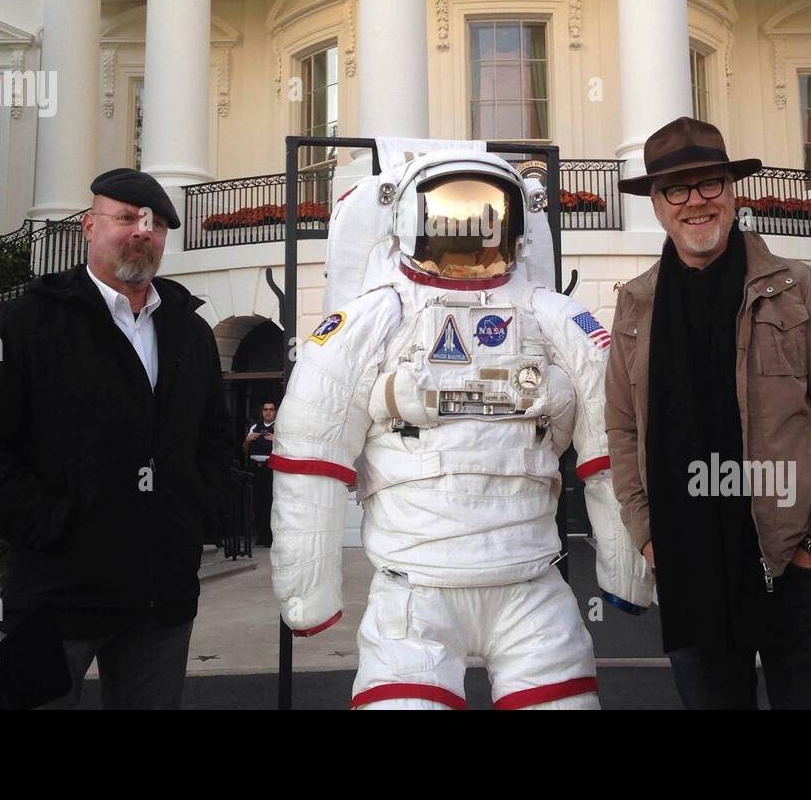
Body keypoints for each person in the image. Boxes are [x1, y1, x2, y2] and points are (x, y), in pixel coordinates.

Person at [269, 146, 653, 710]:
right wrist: (307, 592)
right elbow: (309, 452)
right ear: (406, 221)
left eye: (484, 222)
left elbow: (611, 445)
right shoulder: (375, 319)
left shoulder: (554, 318)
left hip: (529, 584)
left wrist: (627, 570)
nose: (469, 242)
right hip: (414, 590)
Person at [604, 117, 811, 710]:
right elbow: (623, 429)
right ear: (657, 204)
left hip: (792, 567)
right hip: (689, 569)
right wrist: (647, 534)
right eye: (677, 188)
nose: (695, 202)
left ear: (732, 192)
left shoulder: (798, 288)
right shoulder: (635, 305)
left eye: (710, 184)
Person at [0, 167, 234, 709]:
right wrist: (53, 524)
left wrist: (194, 517)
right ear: (89, 226)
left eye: (153, 225)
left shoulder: (188, 329)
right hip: (56, 596)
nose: (140, 234)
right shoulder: (26, 322)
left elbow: (213, 439)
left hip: (160, 599)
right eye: (125, 218)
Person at [243, 401, 277, 546]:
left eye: (271, 409)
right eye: (265, 409)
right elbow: (244, 449)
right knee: (257, 503)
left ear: (275, 412)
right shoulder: (255, 427)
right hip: (256, 470)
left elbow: (288, 448)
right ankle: (261, 536)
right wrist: (247, 441)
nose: (268, 412)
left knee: (270, 503)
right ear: (261, 411)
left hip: (270, 470)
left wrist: (276, 440)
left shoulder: (279, 428)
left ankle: (270, 537)